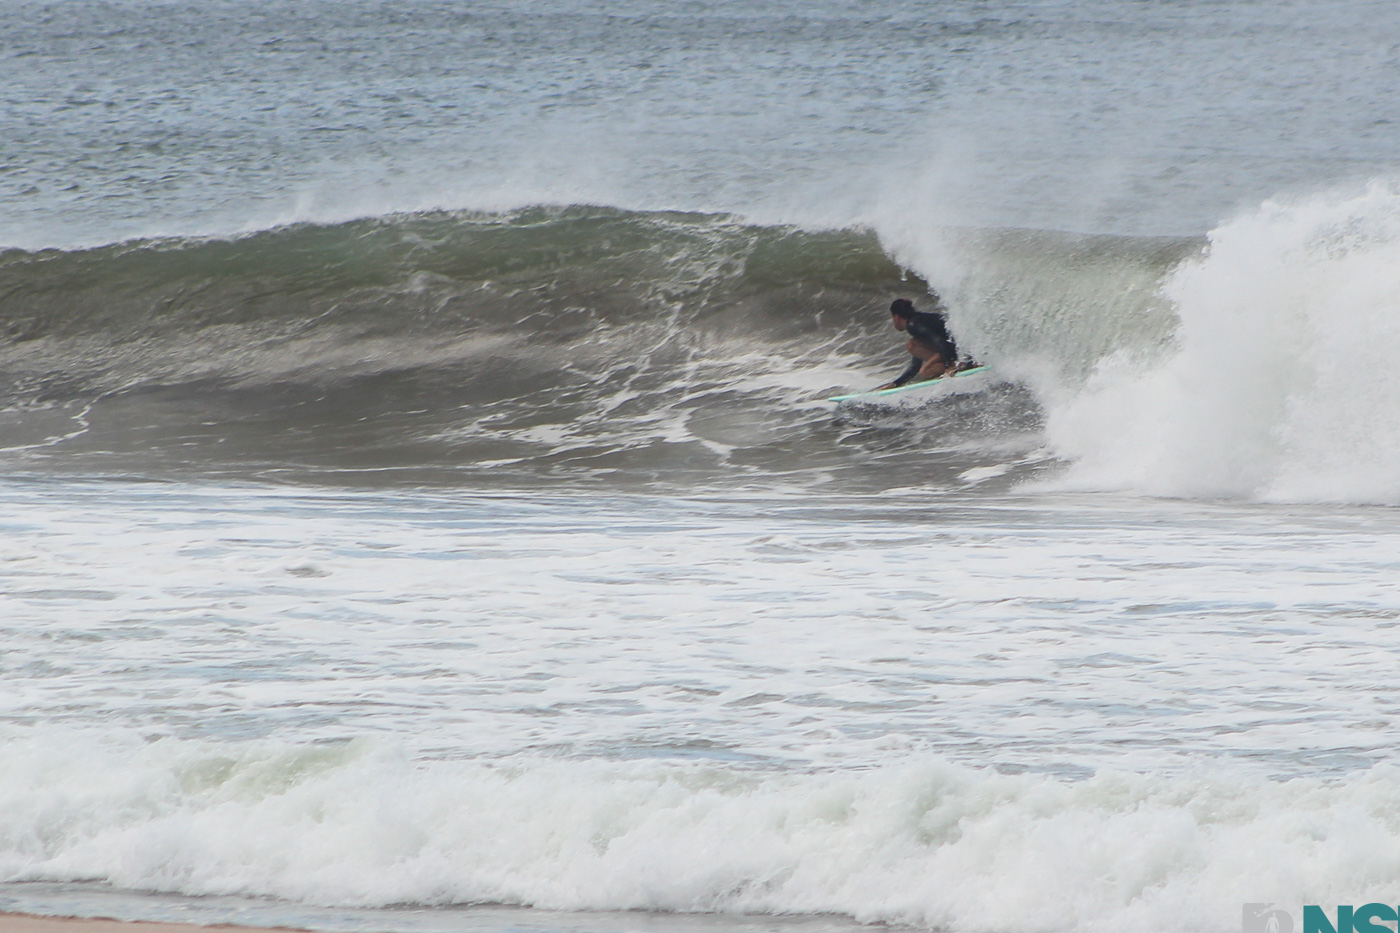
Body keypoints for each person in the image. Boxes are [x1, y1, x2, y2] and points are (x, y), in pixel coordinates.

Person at [875, 296, 962, 389]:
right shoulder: (919, 322)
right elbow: (915, 366)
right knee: (925, 370)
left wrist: (948, 367)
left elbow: (939, 341)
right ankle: (958, 365)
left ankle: (955, 366)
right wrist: (895, 384)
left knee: (914, 349)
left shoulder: (913, 325)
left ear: (896, 317)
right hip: (958, 352)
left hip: (954, 352)